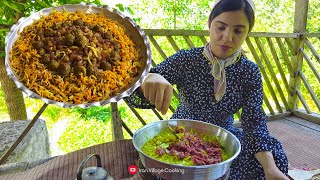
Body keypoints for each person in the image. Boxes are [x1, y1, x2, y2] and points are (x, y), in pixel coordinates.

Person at [125, 0, 289, 179]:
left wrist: (270, 168)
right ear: (210, 24)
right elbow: (138, 86)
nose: (227, 37)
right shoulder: (187, 59)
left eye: (238, 30)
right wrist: (149, 78)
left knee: (276, 159)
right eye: (221, 27)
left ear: (247, 32)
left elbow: (254, 121)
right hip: (179, 134)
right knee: (166, 167)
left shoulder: (249, 71)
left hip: (222, 139)